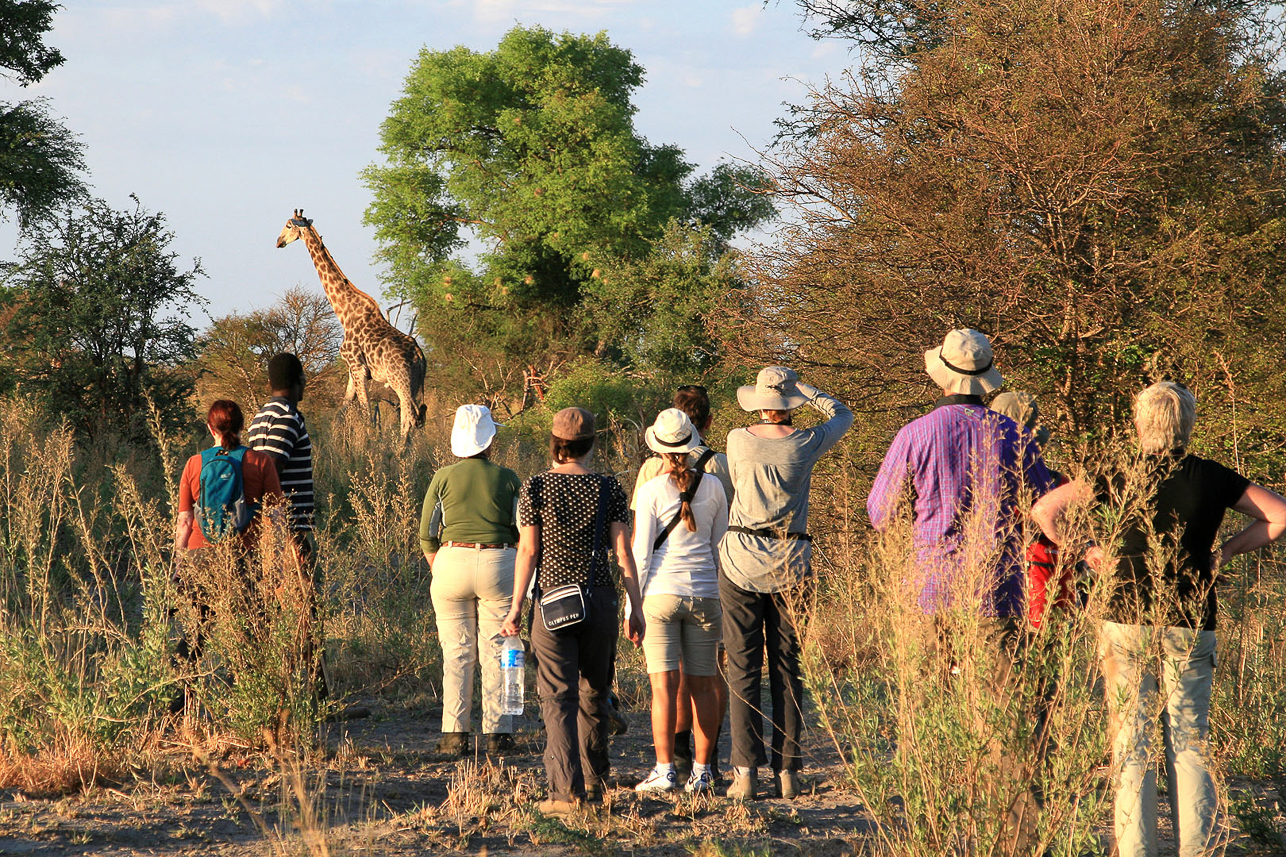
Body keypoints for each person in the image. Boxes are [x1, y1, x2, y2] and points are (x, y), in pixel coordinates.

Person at [1032, 381, 1286, 857]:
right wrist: (1224, 552)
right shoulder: (1212, 476)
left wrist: (1089, 551)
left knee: (1131, 744)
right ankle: (1198, 848)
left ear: (1140, 422)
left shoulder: (1114, 470)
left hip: (1124, 616)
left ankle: (1137, 850)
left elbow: (1046, 510)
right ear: (1187, 424)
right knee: (1189, 742)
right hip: (1190, 617)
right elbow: (1279, 514)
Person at [867, 329, 1054, 855]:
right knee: (1001, 720)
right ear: (985, 378)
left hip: (930, 591)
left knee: (926, 712)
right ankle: (1017, 840)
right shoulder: (1012, 434)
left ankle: (933, 829)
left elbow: (880, 515)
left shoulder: (915, 433)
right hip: (998, 593)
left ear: (943, 373)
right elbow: (1047, 506)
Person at [499, 407, 645, 818]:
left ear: (554, 442)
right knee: (594, 694)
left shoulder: (536, 487)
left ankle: (565, 793)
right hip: (599, 599)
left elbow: (527, 551)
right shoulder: (609, 487)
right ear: (591, 443)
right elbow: (623, 552)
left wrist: (514, 607)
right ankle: (596, 785)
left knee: (556, 698)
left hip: (552, 604)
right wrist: (635, 606)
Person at [720, 367, 853, 800]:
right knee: (786, 667)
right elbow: (842, 414)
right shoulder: (806, 442)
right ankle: (788, 773)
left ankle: (744, 773)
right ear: (789, 404)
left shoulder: (738, 440)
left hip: (740, 560)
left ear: (757, 402)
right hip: (792, 562)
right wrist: (808, 390)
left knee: (742, 668)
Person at [630, 384, 732, 780]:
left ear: (658, 446)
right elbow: (721, 546)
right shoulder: (717, 482)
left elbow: (641, 551)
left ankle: (666, 768)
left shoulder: (651, 486)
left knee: (664, 687)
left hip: (658, 594)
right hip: (706, 593)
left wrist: (631, 607)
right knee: (705, 684)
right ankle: (705, 771)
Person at [420, 405, 522, 757]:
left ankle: (453, 734)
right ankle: (499, 733)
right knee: (499, 651)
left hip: (450, 561)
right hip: (500, 563)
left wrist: (442, 566)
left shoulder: (442, 477)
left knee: (456, 654)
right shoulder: (509, 478)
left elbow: (426, 533)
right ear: (490, 440)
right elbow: (521, 531)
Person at [174, 400, 284, 664]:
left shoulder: (193, 463)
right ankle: (248, 691)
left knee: (199, 627)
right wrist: (277, 562)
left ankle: (179, 694)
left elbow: (185, 521)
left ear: (210, 428)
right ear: (242, 427)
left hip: (200, 559)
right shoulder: (260, 462)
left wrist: (178, 564)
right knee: (254, 629)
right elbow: (278, 517)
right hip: (242, 557)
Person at [247, 353, 315, 563]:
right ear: (301, 379)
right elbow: (271, 470)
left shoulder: (260, 416)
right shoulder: (287, 417)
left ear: (269, 384)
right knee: (301, 593)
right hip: (287, 526)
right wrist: (288, 531)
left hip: (270, 524)